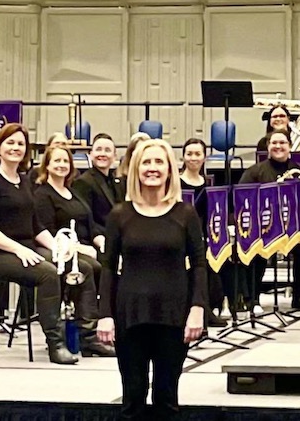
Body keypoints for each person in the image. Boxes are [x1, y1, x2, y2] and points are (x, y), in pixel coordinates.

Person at [98, 139, 210, 419]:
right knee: (133, 398)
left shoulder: (185, 213)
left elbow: (199, 264)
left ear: (170, 169)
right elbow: (108, 267)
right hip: (130, 316)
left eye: (159, 162)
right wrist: (105, 315)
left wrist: (197, 309)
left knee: (166, 397)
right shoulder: (119, 215)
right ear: (136, 169)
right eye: (146, 162)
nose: (152, 168)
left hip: (173, 316)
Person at [0, 123, 79, 365]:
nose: (16, 148)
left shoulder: (24, 180)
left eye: (20, 144)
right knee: (49, 274)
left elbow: (37, 226)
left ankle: (85, 335)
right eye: (10, 142)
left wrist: (58, 249)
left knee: (74, 264)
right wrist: (19, 249)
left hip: (25, 248)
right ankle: (55, 344)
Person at [33, 144, 109, 357]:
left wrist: (101, 243)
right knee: (90, 267)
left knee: (109, 261)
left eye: (65, 161)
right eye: (56, 160)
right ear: (46, 165)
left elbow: (92, 226)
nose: (62, 165)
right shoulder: (42, 194)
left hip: (83, 247)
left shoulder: (73, 192)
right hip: (58, 248)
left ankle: (106, 328)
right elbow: (46, 231)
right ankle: (88, 336)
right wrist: (79, 249)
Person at [240, 130, 300, 311]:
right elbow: (243, 198)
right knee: (256, 250)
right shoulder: (255, 171)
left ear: (290, 146)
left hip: (292, 229)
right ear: (268, 147)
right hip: (264, 229)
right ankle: (252, 298)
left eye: (282, 142)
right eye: (274, 143)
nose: (278, 146)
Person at [178, 137, 232, 325]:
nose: (193, 158)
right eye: (189, 154)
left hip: (205, 236)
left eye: (197, 154)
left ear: (205, 157)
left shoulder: (208, 184)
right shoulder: (176, 183)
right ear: (183, 157)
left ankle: (214, 306)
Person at [70, 133, 125, 223]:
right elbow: (86, 219)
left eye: (107, 150)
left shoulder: (117, 182)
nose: (102, 154)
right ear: (91, 154)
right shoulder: (83, 182)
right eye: (98, 149)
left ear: (115, 156)